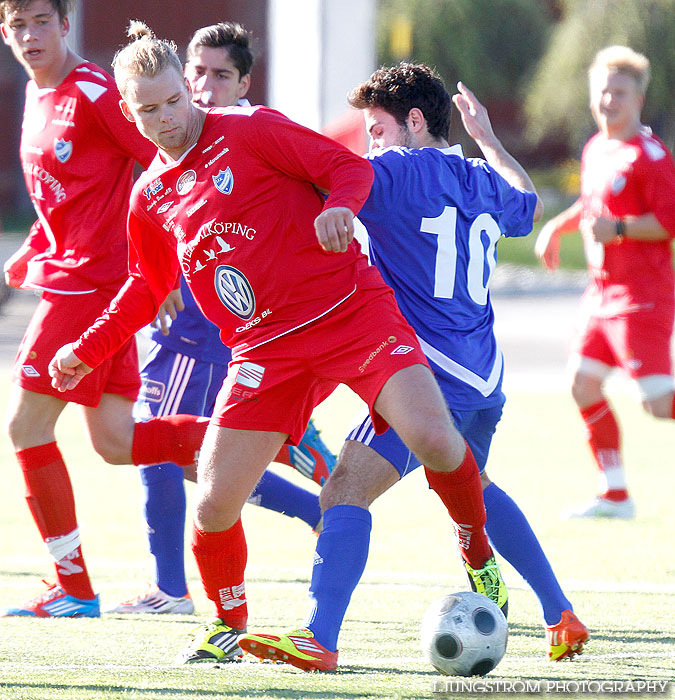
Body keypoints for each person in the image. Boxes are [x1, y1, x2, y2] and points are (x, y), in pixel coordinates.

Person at [48, 22, 507, 666]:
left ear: (188, 87)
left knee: (433, 436)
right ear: (129, 111)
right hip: (263, 352)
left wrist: (340, 207)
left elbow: (345, 168)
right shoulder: (148, 195)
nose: (167, 117)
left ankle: (478, 553)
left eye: (175, 99)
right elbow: (145, 286)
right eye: (148, 109)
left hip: (350, 314)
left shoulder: (249, 129)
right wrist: (86, 350)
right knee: (212, 504)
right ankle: (229, 628)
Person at [239, 63, 589, 669]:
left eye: (376, 128)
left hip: (423, 377)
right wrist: (489, 139)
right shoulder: (480, 175)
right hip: (484, 378)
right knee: (470, 485)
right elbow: (528, 207)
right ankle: (561, 613)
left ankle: (319, 638)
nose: (369, 144)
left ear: (415, 122)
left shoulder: (395, 172)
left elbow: (318, 184)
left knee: (344, 487)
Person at [106, 21, 335, 616]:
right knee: (194, 455)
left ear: (245, 84)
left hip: (207, 332)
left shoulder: (253, 134)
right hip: (185, 324)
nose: (205, 87)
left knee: (171, 449)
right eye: (197, 73)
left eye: (220, 75)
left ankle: (173, 587)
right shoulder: (175, 143)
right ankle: (297, 458)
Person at [0, 0, 214, 619]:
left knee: (24, 427)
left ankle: (73, 588)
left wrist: (165, 260)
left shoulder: (95, 92)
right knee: (117, 443)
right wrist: (34, 247)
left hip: (93, 291)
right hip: (84, 281)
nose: (31, 35)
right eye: (18, 25)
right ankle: (264, 440)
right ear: (4, 31)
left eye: (43, 21)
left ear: (66, 24)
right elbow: (69, 195)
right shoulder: (36, 94)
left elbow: (164, 161)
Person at [535, 46, 675, 519]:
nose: (609, 100)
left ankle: (615, 493)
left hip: (642, 297)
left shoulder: (650, 156)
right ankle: (614, 493)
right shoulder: (597, 148)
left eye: (619, 92)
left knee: (657, 404)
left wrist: (618, 230)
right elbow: (593, 208)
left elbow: (668, 221)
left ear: (638, 99)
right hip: (601, 296)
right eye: (602, 92)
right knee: (582, 382)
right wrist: (558, 226)